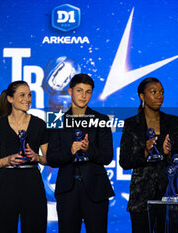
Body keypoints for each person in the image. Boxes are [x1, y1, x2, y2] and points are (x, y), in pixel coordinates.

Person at [47, 73, 114, 233]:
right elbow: (52, 158)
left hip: (96, 189)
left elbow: (107, 156)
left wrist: (88, 149)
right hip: (67, 190)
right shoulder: (56, 120)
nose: (84, 96)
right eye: (79, 90)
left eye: (88, 91)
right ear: (70, 91)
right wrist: (71, 150)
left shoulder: (101, 119)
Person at [119, 77, 178, 233]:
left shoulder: (172, 121)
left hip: (168, 194)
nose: (159, 96)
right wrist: (145, 151)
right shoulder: (132, 124)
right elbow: (125, 161)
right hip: (141, 198)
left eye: (162, 92)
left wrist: (169, 155)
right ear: (142, 96)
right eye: (154, 92)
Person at [0, 81, 48, 233]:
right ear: (10, 99)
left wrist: (37, 157)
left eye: (29, 95)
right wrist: (6, 160)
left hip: (32, 183)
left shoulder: (39, 124)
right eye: (22, 95)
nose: (27, 99)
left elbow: (49, 158)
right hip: (6, 184)